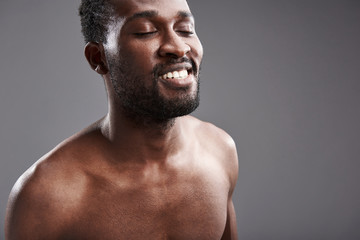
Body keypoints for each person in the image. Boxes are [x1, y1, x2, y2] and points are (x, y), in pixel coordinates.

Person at [5, 0, 239, 239]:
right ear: (98, 57)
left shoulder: (220, 152)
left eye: (185, 29)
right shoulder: (47, 195)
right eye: (146, 31)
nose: (178, 47)